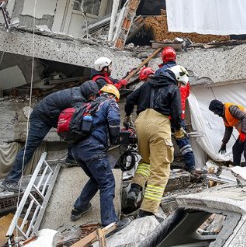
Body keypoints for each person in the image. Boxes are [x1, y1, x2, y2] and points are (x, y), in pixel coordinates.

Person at [1, 81, 99, 192]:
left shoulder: (80, 91)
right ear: (87, 93)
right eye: (92, 95)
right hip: (41, 118)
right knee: (29, 148)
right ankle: (10, 181)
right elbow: (83, 112)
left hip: (51, 116)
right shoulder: (77, 98)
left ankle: (71, 159)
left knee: (74, 132)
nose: (93, 97)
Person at [123, 65, 188, 218]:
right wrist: (178, 130)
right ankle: (147, 211)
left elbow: (130, 99)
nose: (180, 86)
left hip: (141, 123)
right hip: (158, 125)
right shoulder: (173, 88)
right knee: (161, 169)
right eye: (181, 83)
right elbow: (177, 113)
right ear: (177, 78)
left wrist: (127, 116)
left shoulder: (147, 84)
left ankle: (134, 189)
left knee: (146, 161)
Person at [70, 85, 129, 231]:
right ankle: (110, 223)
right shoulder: (110, 102)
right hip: (93, 149)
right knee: (107, 182)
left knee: (97, 178)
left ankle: (79, 208)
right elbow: (114, 121)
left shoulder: (87, 105)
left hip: (77, 150)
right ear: (112, 96)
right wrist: (116, 139)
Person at [152, 47, 197, 174]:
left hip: (163, 113)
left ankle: (162, 167)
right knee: (182, 139)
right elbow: (187, 92)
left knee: (161, 140)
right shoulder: (182, 72)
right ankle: (191, 166)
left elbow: (155, 92)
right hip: (178, 112)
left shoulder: (160, 72)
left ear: (163, 58)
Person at [208, 99, 246, 173]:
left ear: (218, 108)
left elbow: (245, 117)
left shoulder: (231, 109)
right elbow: (228, 129)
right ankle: (237, 170)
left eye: (215, 111)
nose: (215, 114)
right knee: (236, 149)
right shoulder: (224, 116)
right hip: (245, 132)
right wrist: (224, 143)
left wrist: (243, 132)